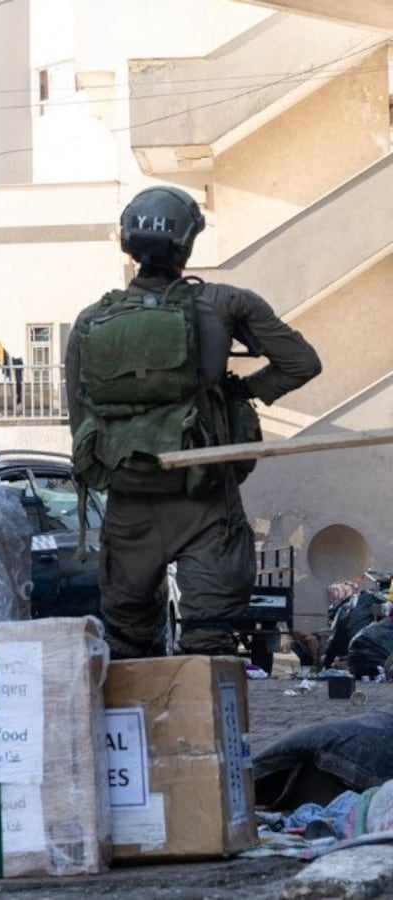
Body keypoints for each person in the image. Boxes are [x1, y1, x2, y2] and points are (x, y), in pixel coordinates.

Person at [65, 185, 321, 658]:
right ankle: (202, 728)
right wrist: (242, 390)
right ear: (188, 244)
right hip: (205, 498)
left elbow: (80, 421)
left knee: (128, 645)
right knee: (208, 642)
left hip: (129, 503)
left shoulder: (89, 321)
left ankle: (138, 730)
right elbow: (301, 363)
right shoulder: (226, 304)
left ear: (127, 243)